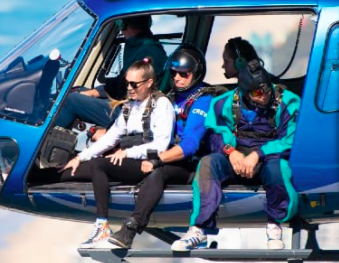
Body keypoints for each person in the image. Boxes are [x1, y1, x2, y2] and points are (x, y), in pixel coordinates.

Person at [172, 57, 300, 251]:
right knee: (208, 163)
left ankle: (275, 223)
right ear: (245, 93)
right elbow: (214, 133)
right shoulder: (224, 103)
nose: (264, 96)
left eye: (267, 90)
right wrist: (231, 152)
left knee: (278, 169)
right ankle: (198, 228)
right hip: (236, 157)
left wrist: (258, 153)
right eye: (257, 92)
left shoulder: (288, 102)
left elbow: (291, 139)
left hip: (267, 158)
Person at [106, 44, 221, 249]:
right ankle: (101, 221)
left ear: (195, 74)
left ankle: (131, 228)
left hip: (188, 164)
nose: (177, 78)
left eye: (183, 74)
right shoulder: (172, 95)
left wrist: (157, 160)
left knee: (157, 173)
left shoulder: (203, 100)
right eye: (174, 73)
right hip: (165, 152)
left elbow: (191, 145)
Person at [60, 58, 175, 247]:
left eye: (134, 84)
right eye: (127, 83)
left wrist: (127, 153)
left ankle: (102, 225)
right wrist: (80, 157)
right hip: (128, 159)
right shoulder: (130, 107)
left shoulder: (161, 105)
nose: (129, 88)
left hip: (148, 162)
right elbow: (109, 139)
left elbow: (161, 145)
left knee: (99, 165)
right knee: (69, 170)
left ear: (149, 83)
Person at [54, 15, 167, 130]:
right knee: (76, 91)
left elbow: (131, 87)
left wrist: (96, 92)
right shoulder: (138, 45)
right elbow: (122, 82)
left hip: (133, 111)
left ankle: (43, 144)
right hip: (126, 101)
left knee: (69, 101)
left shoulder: (147, 51)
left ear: (122, 24)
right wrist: (94, 92)